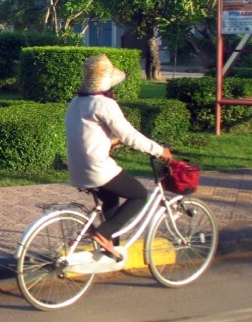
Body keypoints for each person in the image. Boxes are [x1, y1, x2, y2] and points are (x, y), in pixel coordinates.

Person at [65, 55, 172, 260]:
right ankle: (102, 234)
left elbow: (86, 134)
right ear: (107, 83)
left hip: (77, 168)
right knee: (140, 195)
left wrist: (111, 142)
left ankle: (109, 248)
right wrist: (160, 151)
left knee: (111, 201)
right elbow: (130, 136)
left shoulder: (76, 102)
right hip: (96, 168)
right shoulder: (103, 104)